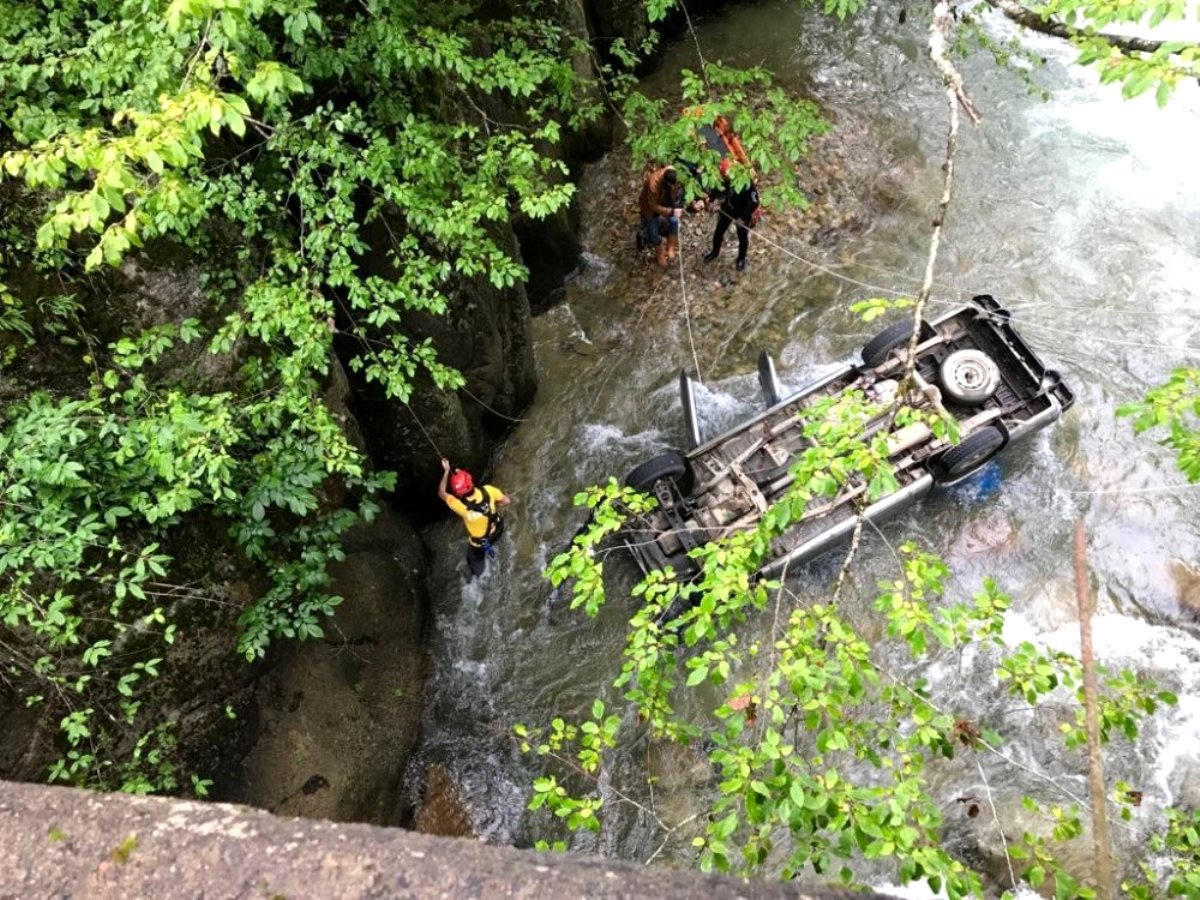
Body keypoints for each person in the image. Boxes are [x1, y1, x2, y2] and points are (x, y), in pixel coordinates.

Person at [438, 457, 511, 579]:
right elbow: (507, 501)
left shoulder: (460, 507)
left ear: (458, 494)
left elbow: (441, 492)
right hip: (498, 529)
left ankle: (479, 578)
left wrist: (446, 471)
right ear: (471, 481)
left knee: (474, 568)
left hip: (479, 544)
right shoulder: (489, 490)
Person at [703, 159, 760, 272]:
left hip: (743, 212)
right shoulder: (725, 179)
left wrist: (743, 217)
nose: (725, 178)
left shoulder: (747, 183)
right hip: (728, 208)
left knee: (742, 237)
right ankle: (715, 252)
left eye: (726, 176)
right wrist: (711, 201)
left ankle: (741, 258)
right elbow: (717, 188)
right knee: (719, 231)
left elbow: (754, 202)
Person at [637, 165, 684, 266]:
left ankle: (670, 247)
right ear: (666, 182)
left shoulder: (674, 175)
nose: (674, 186)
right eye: (672, 185)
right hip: (650, 206)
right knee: (653, 231)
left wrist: (679, 207)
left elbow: (679, 193)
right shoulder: (653, 183)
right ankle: (660, 253)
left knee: (674, 221)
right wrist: (671, 211)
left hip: (666, 201)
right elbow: (652, 205)